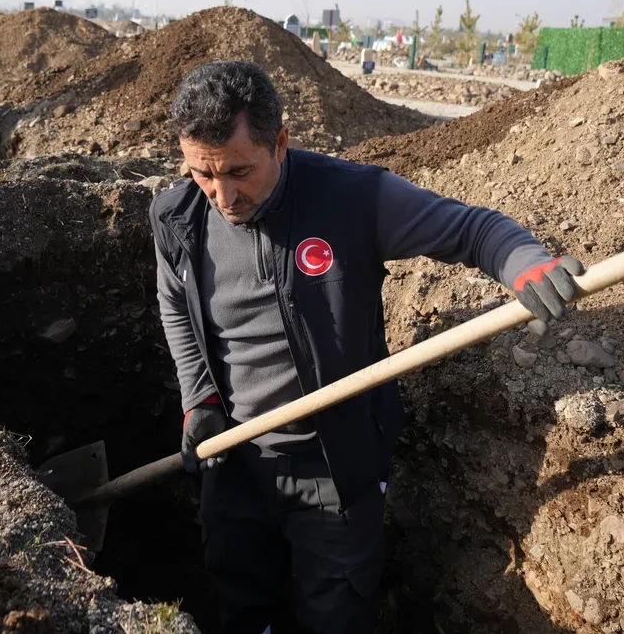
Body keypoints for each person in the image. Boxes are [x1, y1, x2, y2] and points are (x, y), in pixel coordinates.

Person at [150, 61, 583, 634]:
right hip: (234, 463)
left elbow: (472, 230)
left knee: (336, 615)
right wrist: (199, 400)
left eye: (238, 172)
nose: (223, 195)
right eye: (204, 174)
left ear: (279, 141)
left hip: (334, 467)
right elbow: (175, 308)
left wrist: (528, 266)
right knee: (242, 609)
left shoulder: (350, 200)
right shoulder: (177, 218)